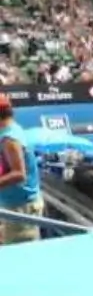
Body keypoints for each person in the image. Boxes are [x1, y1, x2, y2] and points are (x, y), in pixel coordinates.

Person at [0, 93, 44, 245]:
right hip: (12, 204)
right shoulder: (10, 130)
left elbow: (19, 174)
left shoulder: (9, 139)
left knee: (20, 254)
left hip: (20, 208)